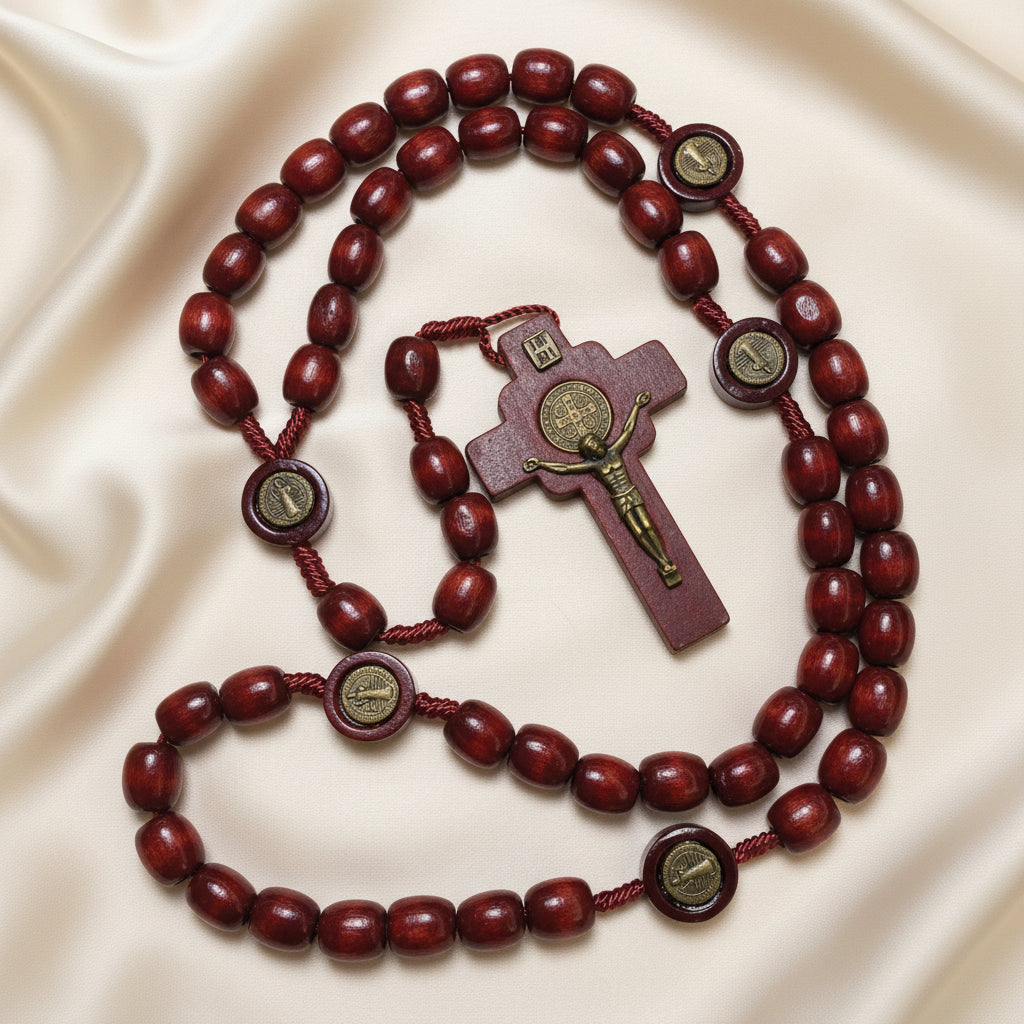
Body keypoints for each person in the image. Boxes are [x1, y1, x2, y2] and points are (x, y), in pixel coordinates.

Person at [524, 391, 681, 588]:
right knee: (638, 532)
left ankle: (666, 559)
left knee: (648, 526)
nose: (595, 446)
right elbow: (566, 468)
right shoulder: (594, 466)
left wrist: (636, 406)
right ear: (588, 453)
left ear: (600, 442)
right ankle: (661, 562)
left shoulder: (615, 451)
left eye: (594, 441)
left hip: (631, 492)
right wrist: (541, 464)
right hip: (619, 499)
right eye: (590, 446)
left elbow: (628, 429)